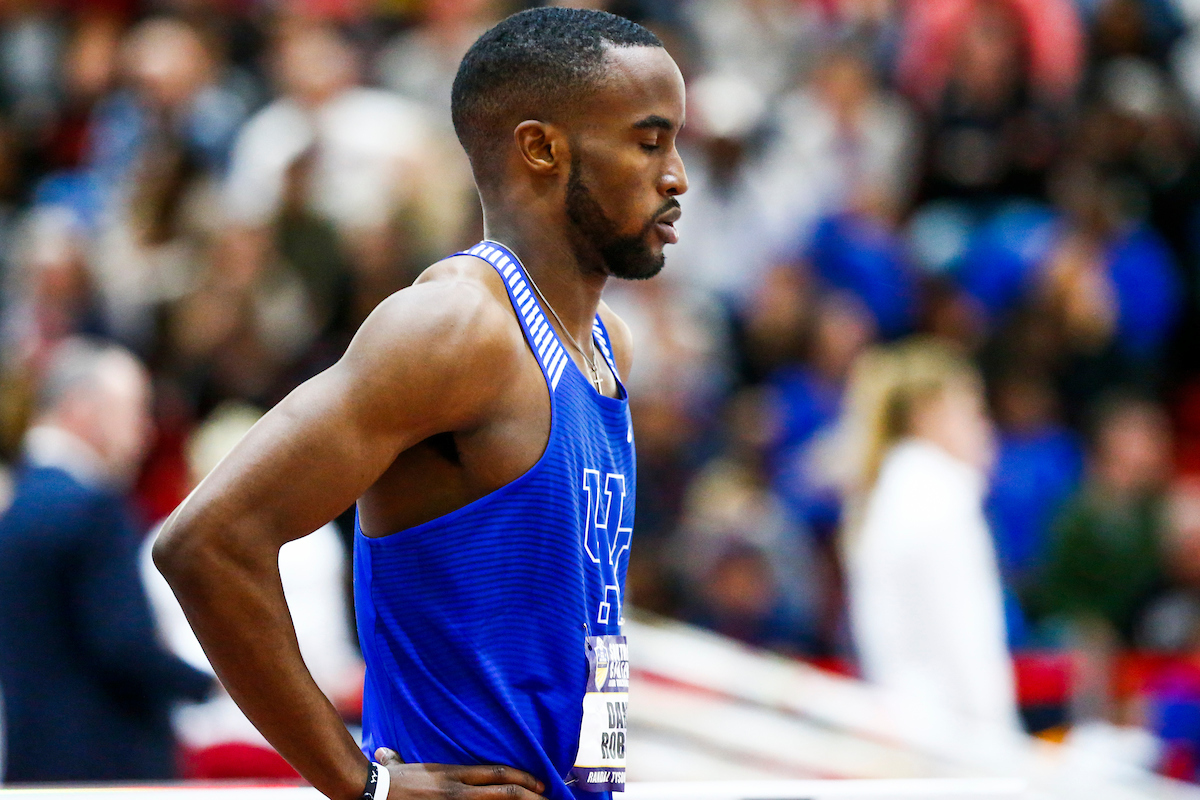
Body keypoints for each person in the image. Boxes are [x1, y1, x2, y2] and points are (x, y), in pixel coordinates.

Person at [154, 8, 686, 800]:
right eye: (649, 142)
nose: (676, 175)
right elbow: (204, 544)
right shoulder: (454, 329)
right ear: (541, 148)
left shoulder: (610, 343)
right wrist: (362, 784)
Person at [0, 338, 214, 783]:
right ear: (82, 409)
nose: (148, 431)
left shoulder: (20, 502)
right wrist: (213, 684)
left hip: (33, 762)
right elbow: (124, 644)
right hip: (108, 765)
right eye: (136, 410)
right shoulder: (91, 508)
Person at [839, 338, 1021, 745]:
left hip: (913, 723)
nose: (985, 428)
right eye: (972, 412)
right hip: (951, 734)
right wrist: (1000, 744)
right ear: (928, 415)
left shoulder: (892, 492)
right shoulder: (940, 496)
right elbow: (964, 639)